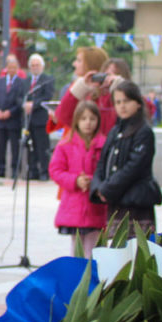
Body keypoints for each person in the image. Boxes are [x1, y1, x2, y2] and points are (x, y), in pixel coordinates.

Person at [90, 80, 160, 237]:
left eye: (127, 101)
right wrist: (98, 188)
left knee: (136, 253)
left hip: (136, 202)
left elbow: (133, 167)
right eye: (118, 102)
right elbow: (102, 163)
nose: (122, 106)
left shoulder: (144, 132)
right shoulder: (115, 131)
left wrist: (108, 188)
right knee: (116, 253)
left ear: (138, 103)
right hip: (115, 201)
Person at [48, 100, 107, 256]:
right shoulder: (65, 144)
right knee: (77, 251)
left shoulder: (104, 144)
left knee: (94, 250)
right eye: (83, 119)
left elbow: (108, 171)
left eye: (92, 119)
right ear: (76, 121)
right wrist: (75, 180)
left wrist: (93, 181)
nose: (88, 123)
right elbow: (55, 170)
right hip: (74, 206)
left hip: (96, 207)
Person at [50, 45, 112, 136]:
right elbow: (62, 116)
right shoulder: (77, 85)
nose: (74, 64)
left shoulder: (104, 92)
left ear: (90, 64)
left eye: (79, 61)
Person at [0, 53, 27, 178]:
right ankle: (1, 169)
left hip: (13, 121)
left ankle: (15, 170)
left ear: (17, 69)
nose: (11, 70)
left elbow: (21, 101)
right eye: (9, 67)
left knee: (15, 147)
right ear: (6, 68)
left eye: (14, 67)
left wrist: (10, 112)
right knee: (0, 147)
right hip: (0, 121)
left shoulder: (22, 83)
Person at [24, 53, 55, 180]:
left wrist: (33, 105)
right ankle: (33, 171)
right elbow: (21, 95)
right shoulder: (26, 81)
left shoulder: (47, 80)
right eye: (32, 65)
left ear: (42, 66)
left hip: (41, 119)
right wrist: (25, 104)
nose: (35, 67)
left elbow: (47, 96)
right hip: (28, 120)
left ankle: (44, 172)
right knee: (30, 146)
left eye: (37, 65)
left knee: (42, 147)